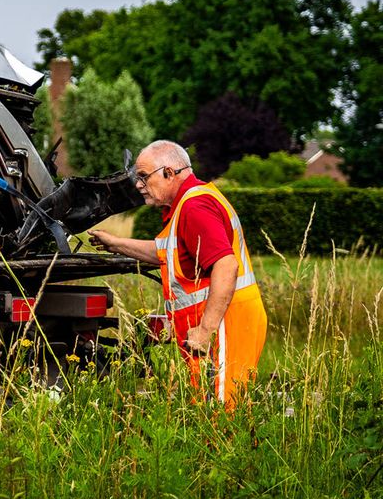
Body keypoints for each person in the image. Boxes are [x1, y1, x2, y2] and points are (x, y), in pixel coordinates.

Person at [88, 140, 267, 407]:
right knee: (210, 408)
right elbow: (164, 252)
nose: (138, 185)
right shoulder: (187, 204)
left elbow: (226, 266)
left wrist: (205, 330)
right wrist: (115, 244)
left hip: (223, 327)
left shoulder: (195, 207)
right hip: (220, 324)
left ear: (169, 173)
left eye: (144, 177)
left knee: (221, 412)